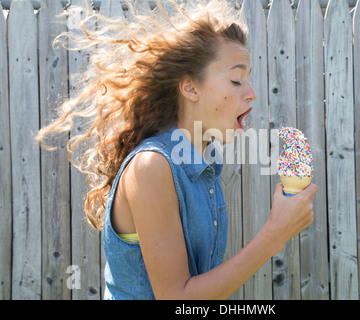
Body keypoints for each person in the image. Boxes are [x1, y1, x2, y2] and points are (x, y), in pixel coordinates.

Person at [36, 0, 318, 300]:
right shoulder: (152, 166)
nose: (251, 92)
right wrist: (274, 235)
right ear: (191, 88)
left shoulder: (202, 163)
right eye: (236, 79)